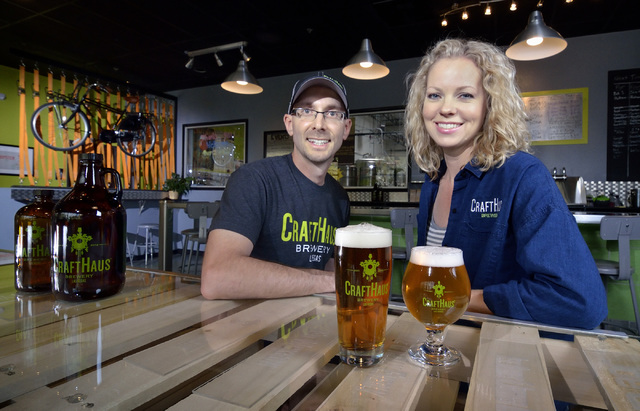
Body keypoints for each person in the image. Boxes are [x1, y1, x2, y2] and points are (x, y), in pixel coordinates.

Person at [404, 38, 607, 329]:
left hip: (503, 347)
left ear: (490, 105)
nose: (446, 108)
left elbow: (580, 302)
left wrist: (464, 298)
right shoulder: (433, 180)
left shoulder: (523, 175)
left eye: (465, 95)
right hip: (445, 341)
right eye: (435, 95)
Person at [200, 73, 352, 300]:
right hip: (251, 319)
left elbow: (328, 267)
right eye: (306, 111)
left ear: (346, 128)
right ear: (290, 124)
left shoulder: (339, 198)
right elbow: (217, 277)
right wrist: (333, 281)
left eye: (332, 113)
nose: (319, 124)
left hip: (309, 318)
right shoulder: (254, 180)